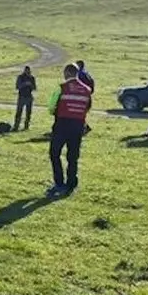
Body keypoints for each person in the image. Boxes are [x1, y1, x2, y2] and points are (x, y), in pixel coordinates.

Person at [47, 64, 92, 197]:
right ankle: (71, 184)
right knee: (73, 156)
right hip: (78, 125)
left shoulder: (61, 88)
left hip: (62, 124)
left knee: (55, 153)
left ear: (66, 73)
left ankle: (59, 183)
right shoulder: (87, 90)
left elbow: (51, 107)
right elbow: (87, 107)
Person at [14, 66, 37, 131]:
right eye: (26, 71)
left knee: (28, 113)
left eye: (29, 71)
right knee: (19, 112)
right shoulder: (20, 77)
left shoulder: (32, 78)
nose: (28, 72)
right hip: (22, 96)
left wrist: (30, 85)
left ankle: (26, 126)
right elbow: (17, 86)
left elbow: (34, 88)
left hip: (29, 97)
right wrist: (25, 84)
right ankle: (16, 126)